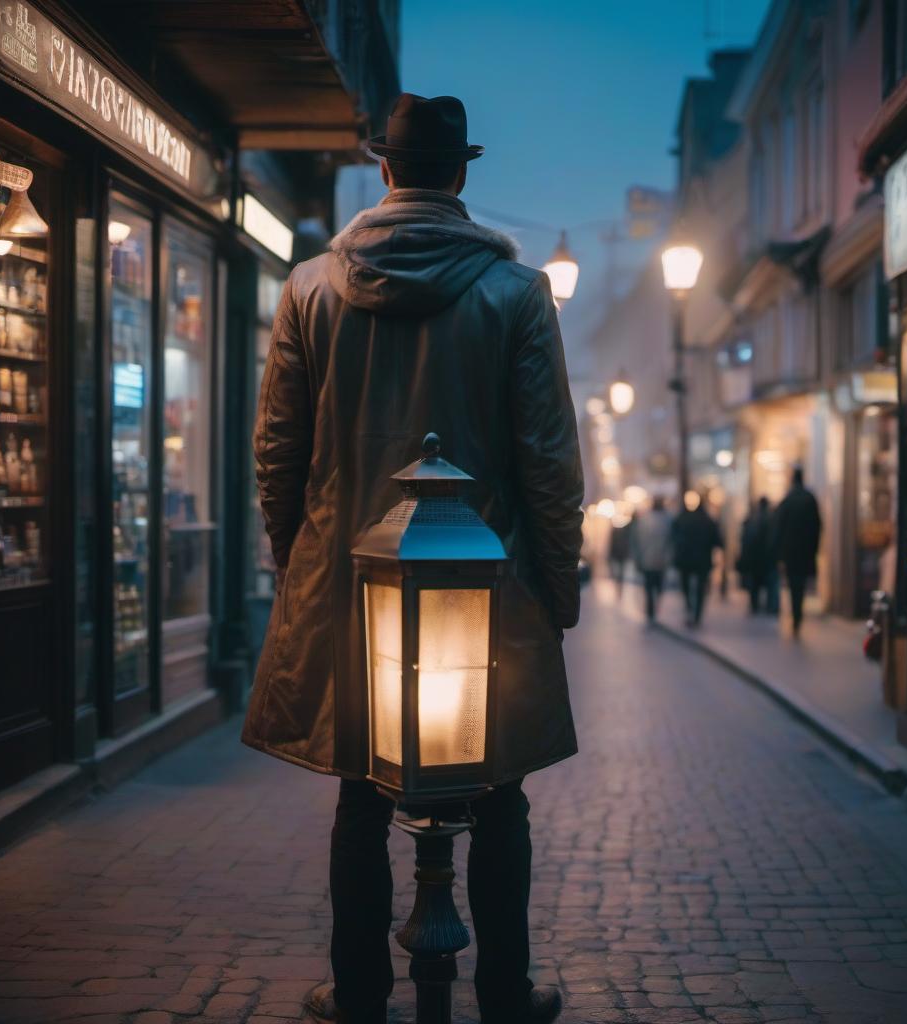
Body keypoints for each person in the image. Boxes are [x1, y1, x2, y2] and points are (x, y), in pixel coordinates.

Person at [242, 94, 582, 1024]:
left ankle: (358, 993)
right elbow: (549, 459)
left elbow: (280, 453)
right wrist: (557, 586)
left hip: (349, 584)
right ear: (461, 175)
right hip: (488, 579)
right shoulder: (517, 295)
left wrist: (301, 568)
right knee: (499, 792)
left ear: (384, 170)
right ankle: (505, 995)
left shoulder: (310, 287)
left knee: (360, 793)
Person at [772, 466, 822, 636]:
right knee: (800, 585)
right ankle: (798, 616)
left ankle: (796, 616)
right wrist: (815, 549)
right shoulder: (810, 499)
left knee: (794, 585)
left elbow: (779, 528)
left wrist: (779, 554)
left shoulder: (788, 500)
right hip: (806, 551)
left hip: (790, 553)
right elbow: (817, 526)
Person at [672, 490, 723, 627]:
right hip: (702, 560)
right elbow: (718, 540)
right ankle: (697, 614)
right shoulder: (707, 520)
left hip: (686, 559)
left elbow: (673, 538)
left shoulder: (681, 519)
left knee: (687, 587)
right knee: (700, 588)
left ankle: (690, 610)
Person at [631, 496, 673, 622]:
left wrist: (638, 558)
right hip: (661, 560)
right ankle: (653, 609)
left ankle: (651, 611)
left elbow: (636, 541)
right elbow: (671, 542)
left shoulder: (643, 520)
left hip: (647, 560)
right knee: (658, 586)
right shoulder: (668, 520)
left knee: (649, 587)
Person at [738, 496, 774, 613]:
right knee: (768, 583)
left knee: (755, 584)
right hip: (766, 558)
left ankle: (754, 605)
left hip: (754, 557)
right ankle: (768, 606)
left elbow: (746, 539)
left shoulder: (752, 519)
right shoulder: (770, 519)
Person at [607, 515, 632, 597]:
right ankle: (619, 584)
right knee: (619, 571)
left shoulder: (615, 532)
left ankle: (619, 584)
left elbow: (611, 544)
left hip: (618, 554)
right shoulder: (623, 532)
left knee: (619, 571)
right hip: (620, 554)